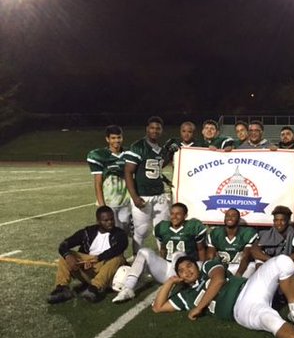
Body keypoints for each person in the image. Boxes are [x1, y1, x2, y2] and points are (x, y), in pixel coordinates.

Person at [152, 255, 294, 338]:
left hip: (250, 287)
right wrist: (169, 281)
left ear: (196, 265)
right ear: (180, 276)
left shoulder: (207, 267)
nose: (187, 271)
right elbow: (158, 307)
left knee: (283, 262)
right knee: (268, 319)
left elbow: (218, 280)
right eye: (181, 271)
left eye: (189, 266)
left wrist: (199, 308)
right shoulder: (185, 296)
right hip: (241, 309)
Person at [112, 203, 207, 303]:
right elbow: (163, 250)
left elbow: (201, 249)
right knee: (143, 251)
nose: (174, 216)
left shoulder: (193, 226)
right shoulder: (163, 227)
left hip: (186, 270)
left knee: (178, 254)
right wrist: (160, 264)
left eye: (178, 214)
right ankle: (128, 288)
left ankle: (170, 291)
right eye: (172, 213)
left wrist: (202, 268)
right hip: (167, 270)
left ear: (185, 216)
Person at [47, 206, 127, 304]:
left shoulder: (120, 234)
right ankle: (62, 288)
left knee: (118, 258)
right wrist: (68, 256)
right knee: (66, 257)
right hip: (86, 266)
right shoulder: (87, 232)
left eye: (111, 219)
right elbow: (64, 245)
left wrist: (96, 259)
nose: (110, 222)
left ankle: (95, 288)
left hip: (105, 266)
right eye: (105, 220)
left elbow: (118, 248)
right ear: (98, 221)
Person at [124, 116, 171, 253]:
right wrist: (135, 197)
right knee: (140, 231)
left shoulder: (160, 149)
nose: (155, 131)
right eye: (152, 128)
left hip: (160, 195)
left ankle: (164, 261)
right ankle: (137, 261)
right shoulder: (138, 146)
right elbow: (128, 172)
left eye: (158, 128)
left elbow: (157, 167)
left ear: (161, 130)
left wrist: (169, 153)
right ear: (147, 129)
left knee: (162, 231)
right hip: (143, 195)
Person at [86, 125, 131, 230]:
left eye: (119, 137)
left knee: (125, 231)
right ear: (107, 139)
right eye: (113, 138)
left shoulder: (129, 154)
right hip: (109, 201)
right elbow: (98, 182)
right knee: (110, 233)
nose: (117, 140)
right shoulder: (100, 156)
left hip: (126, 201)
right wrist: (102, 205)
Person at [251, 206, 294, 275]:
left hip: (287, 263)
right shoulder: (266, 234)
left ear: (288, 221)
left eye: (282, 220)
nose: (279, 223)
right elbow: (254, 250)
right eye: (276, 220)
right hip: (270, 261)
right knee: (259, 260)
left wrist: (282, 260)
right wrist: (272, 260)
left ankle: (290, 283)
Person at [206, 208, 259, 278]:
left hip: (241, 267)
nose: (230, 218)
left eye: (233, 216)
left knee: (251, 266)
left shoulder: (247, 233)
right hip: (221, 267)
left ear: (239, 219)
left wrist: (238, 275)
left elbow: (245, 257)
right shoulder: (215, 233)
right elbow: (210, 257)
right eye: (227, 216)